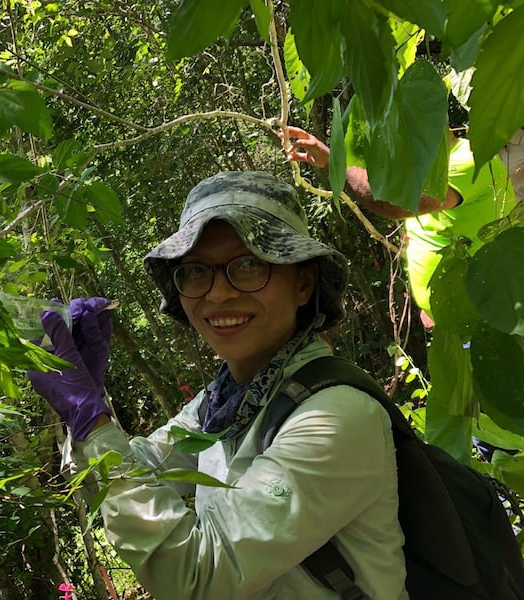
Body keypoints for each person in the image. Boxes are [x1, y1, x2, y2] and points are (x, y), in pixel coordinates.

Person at [28, 172, 407, 599]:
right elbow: (143, 468)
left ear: (303, 283)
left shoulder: (336, 417)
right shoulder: (223, 405)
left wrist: (91, 419)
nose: (219, 294)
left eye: (248, 265)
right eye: (196, 271)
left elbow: (199, 576)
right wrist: (87, 416)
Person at [281, 125, 515, 327]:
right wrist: (432, 305)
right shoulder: (425, 168)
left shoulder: (467, 161)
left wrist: (336, 163)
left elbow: (394, 204)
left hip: (481, 317)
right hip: (450, 315)